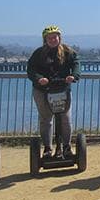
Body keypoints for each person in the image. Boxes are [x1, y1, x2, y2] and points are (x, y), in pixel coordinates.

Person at [27, 25, 80, 159]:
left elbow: (76, 64)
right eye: (49, 38)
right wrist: (39, 78)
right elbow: (31, 69)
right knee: (46, 119)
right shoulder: (39, 53)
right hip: (42, 90)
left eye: (55, 37)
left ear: (59, 38)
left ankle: (66, 147)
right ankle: (47, 148)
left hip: (62, 89)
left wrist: (73, 76)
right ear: (45, 39)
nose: (52, 40)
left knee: (65, 119)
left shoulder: (68, 51)